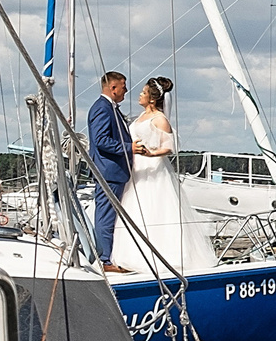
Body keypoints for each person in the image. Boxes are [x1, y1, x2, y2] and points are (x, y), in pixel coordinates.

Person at [119, 76, 203, 277]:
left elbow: (169, 147)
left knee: (154, 208)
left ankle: (162, 254)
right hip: (136, 166)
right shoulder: (140, 116)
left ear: (152, 99)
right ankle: (131, 254)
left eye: (143, 92)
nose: (139, 95)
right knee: (133, 208)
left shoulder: (160, 119)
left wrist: (150, 153)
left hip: (151, 167)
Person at [86, 70, 133, 270]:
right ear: (113, 88)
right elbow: (101, 140)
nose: (126, 90)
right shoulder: (102, 109)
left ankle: (109, 255)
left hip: (114, 171)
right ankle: (104, 259)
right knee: (106, 215)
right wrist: (131, 148)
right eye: (123, 86)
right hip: (108, 171)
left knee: (110, 215)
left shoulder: (110, 108)